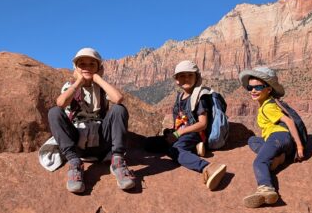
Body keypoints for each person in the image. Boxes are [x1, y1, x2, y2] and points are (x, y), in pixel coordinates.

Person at [47, 47, 135, 193]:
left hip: (101, 141)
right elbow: (61, 103)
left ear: (99, 68)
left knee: (119, 109)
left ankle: (117, 161)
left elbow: (118, 99)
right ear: (75, 68)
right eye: (82, 64)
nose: (87, 67)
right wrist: (79, 81)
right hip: (77, 143)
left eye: (92, 64)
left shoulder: (101, 88)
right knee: (54, 112)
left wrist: (98, 79)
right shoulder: (70, 87)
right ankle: (74, 163)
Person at [145, 60, 227, 190]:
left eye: (190, 75)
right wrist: (172, 132)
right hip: (181, 134)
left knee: (174, 150)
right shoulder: (179, 97)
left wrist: (178, 133)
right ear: (177, 79)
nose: (186, 78)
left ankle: (207, 167)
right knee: (149, 143)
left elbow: (202, 124)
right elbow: (180, 121)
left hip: (195, 134)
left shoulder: (200, 97)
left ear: (197, 77)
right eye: (182, 75)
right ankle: (194, 149)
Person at [238, 66, 304, 208]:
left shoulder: (268, 106)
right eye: (250, 88)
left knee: (259, 163)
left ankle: (266, 189)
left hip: (279, 137)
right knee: (252, 140)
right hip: (276, 140)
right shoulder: (266, 104)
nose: (253, 90)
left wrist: (299, 146)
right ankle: (279, 157)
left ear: (268, 89)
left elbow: (289, 121)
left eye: (258, 87)